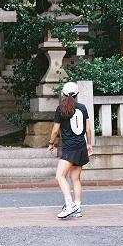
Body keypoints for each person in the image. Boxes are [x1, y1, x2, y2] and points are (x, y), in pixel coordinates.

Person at [47, 82, 93, 219]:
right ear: (77, 94)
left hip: (69, 148)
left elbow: (55, 130)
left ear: (63, 94)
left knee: (60, 176)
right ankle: (77, 208)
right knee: (75, 179)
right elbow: (88, 129)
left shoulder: (60, 108)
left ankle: (69, 204)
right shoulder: (83, 108)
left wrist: (51, 143)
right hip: (81, 146)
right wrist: (89, 144)